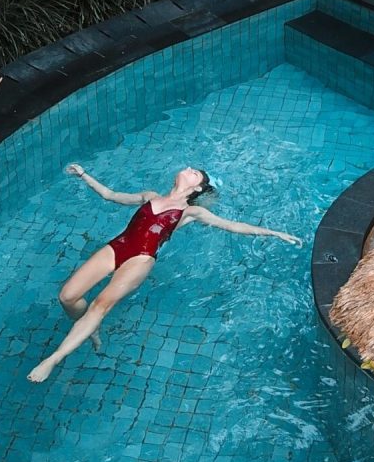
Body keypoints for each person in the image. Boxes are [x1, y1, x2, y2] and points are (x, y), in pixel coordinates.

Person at [27, 163, 303, 382]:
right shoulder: (150, 196)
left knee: (99, 304)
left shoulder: (191, 212)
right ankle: (90, 329)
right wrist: (84, 174)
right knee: (67, 297)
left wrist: (273, 232)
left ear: (197, 187)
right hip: (118, 246)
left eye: (194, 171)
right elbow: (110, 195)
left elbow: (233, 225)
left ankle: (53, 358)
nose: (187, 168)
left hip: (141, 258)